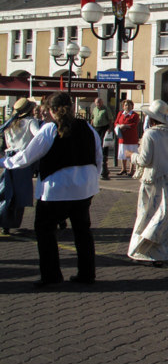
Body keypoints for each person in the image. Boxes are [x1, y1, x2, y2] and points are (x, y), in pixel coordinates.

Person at [0, 92, 102, 286]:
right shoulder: (87, 127)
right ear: (71, 108)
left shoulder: (49, 129)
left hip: (56, 189)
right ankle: (87, 274)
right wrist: (92, 181)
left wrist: (5, 162)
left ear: (52, 110)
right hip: (83, 188)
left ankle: (52, 275)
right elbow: (97, 158)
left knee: (45, 231)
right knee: (82, 232)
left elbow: (27, 157)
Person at [124, 100, 168, 266]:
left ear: (151, 119)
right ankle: (161, 252)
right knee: (166, 218)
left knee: (147, 216)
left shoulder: (150, 134)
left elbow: (144, 160)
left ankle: (143, 250)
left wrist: (131, 155)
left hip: (153, 180)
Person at [0, 98, 39, 234]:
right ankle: (10, 221)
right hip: (23, 160)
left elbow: (7, 144)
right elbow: (39, 137)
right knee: (19, 193)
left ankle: (5, 221)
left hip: (9, 158)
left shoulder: (9, 124)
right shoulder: (30, 122)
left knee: (7, 191)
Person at [114, 99, 140, 176]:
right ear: (123, 106)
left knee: (132, 153)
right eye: (126, 105)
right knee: (123, 153)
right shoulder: (120, 113)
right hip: (122, 137)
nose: (127, 107)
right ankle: (123, 169)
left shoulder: (135, 115)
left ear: (132, 106)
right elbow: (116, 122)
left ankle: (131, 170)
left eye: (129, 105)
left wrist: (126, 126)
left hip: (131, 137)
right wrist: (119, 126)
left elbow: (134, 124)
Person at [91, 96, 113, 180]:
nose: (98, 104)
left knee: (104, 146)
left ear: (102, 102)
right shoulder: (94, 109)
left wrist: (110, 129)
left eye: (99, 102)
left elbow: (110, 119)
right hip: (96, 128)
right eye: (97, 102)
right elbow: (93, 118)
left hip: (104, 128)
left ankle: (104, 165)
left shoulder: (106, 109)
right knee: (97, 145)